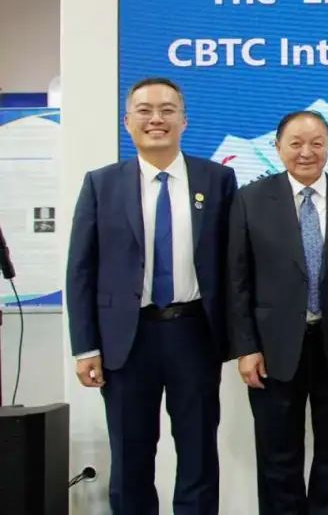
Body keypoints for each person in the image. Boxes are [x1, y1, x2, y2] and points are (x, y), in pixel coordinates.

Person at [66, 77, 237, 514]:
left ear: (184, 120)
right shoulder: (101, 184)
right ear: (127, 122)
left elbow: (233, 262)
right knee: (130, 456)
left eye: (167, 110)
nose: (156, 119)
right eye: (144, 110)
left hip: (194, 334)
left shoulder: (217, 179)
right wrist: (85, 346)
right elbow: (81, 270)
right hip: (126, 340)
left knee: (199, 452)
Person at [227, 110, 328, 515]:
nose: (306, 152)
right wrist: (245, 347)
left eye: (316, 143)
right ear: (278, 148)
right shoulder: (250, 200)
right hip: (272, 348)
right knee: (277, 455)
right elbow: (237, 280)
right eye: (295, 143)